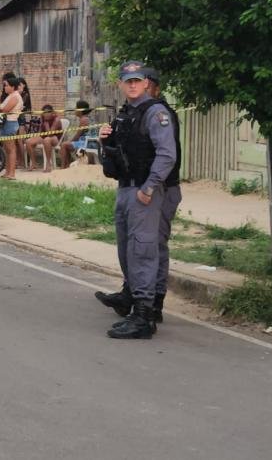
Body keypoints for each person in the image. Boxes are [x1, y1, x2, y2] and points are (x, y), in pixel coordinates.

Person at [96, 60, 177, 339]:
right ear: (121, 84)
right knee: (127, 249)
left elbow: (167, 154)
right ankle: (134, 304)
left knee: (143, 250)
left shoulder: (156, 112)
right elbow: (119, 152)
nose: (132, 85)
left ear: (146, 84)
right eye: (127, 81)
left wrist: (150, 187)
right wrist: (104, 139)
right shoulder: (127, 113)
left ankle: (144, 315)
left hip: (144, 191)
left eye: (137, 81)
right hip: (126, 187)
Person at [0, 76, 23, 180]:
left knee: (11, 149)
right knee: (7, 149)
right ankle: (7, 172)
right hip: (6, 123)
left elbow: (5, 110)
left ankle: (11, 174)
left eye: (6, 85)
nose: (5, 87)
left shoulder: (15, 96)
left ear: (13, 86)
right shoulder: (11, 95)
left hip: (10, 123)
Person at [25, 105, 63, 172]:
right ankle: (34, 163)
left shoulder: (56, 120)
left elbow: (50, 134)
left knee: (47, 140)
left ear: (52, 113)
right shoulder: (42, 117)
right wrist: (36, 137)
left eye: (48, 112)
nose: (46, 114)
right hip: (44, 136)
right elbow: (40, 131)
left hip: (55, 138)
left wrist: (46, 124)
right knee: (28, 141)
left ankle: (48, 163)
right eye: (44, 113)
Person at [59, 100, 93, 169]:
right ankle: (68, 166)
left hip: (84, 143)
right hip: (83, 141)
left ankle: (63, 167)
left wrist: (70, 141)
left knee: (64, 145)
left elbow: (78, 135)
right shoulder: (84, 118)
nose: (75, 110)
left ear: (80, 110)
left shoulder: (84, 120)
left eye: (76, 108)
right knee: (66, 144)